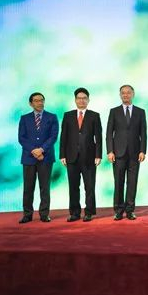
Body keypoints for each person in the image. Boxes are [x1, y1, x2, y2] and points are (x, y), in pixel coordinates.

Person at [59, 87, 102, 222]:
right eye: (79, 98)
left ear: (88, 100)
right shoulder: (68, 115)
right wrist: (62, 155)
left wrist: (98, 155)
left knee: (89, 186)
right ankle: (75, 213)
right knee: (73, 186)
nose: (81, 100)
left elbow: (98, 137)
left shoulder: (94, 115)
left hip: (89, 157)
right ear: (75, 100)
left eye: (84, 98)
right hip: (71, 156)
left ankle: (89, 212)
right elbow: (63, 136)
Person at [106, 84, 147, 221]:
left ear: (133, 94)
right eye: (123, 93)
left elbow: (143, 133)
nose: (126, 95)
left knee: (132, 182)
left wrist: (143, 150)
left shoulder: (140, 112)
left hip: (135, 153)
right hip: (118, 153)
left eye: (128, 92)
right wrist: (110, 151)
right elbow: (109, 133)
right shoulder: (114, 111)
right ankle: (118, 210)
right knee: (118, 182)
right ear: (120, 95)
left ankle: (130, 210)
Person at [17, 92, 59, 223]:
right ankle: (27, 214)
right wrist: (34, 151)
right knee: (28, 188)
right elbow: (21, 138)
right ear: (31, 103)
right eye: (36, 100)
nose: (39, 103)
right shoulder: (24, 118)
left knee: (44, 187)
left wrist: (41, 150)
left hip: (45, 157)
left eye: (41, 100)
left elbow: (53, 136)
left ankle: (44, 214)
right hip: (28, 158)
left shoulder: (52, 117)